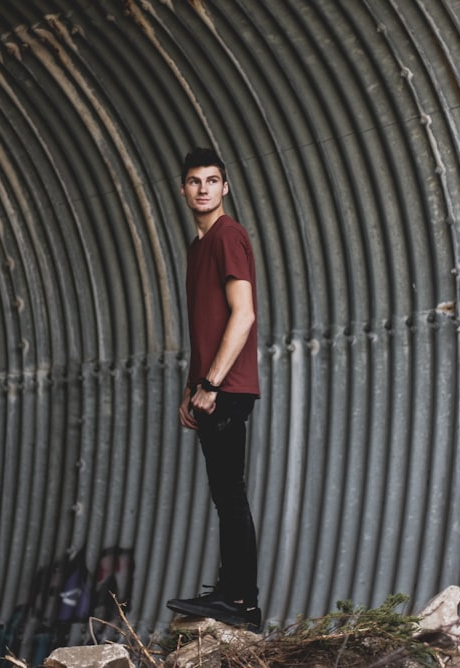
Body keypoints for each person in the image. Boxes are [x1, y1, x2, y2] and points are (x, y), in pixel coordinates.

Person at [165, 147, 262, 632]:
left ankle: (242, 602)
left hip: (226, 387)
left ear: (225, 187)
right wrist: (190, 388)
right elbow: (206, 324)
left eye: (212, 180)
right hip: (209, 387)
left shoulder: (228, 235)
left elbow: (242, 315)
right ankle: (233, 593)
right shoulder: (197, 246)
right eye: (194, 181)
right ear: (182, 190)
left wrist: (210, 385)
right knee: (225, 495)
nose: (203, 188)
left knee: (231, 495)